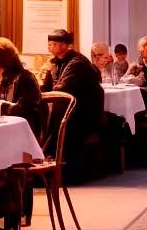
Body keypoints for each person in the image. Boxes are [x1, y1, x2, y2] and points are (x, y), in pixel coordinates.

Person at [40, 29, 104, 159]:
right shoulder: (56, 62)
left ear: (62, 46)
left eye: (52, 43)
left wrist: (49, 78)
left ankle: (54, 161)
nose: (49, 46)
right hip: (70, 108)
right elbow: (46, 88)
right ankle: (44, 157)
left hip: (84, 111)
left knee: (52, 119)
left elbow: (62, 89)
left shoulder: (77, 62)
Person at [0, 36, 46, 137]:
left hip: (25, 133)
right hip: (12, 129)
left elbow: (24, 110)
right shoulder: (7, 78)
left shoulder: (25, 78)